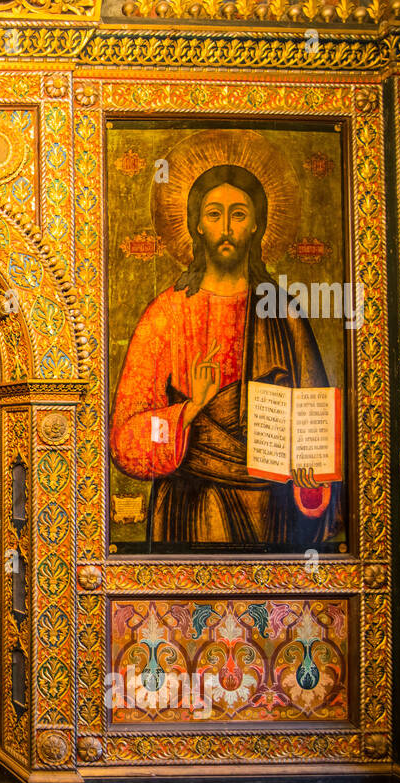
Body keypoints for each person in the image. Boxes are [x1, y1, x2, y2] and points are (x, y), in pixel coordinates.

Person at [110, 163, 337, 549]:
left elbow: (315, 424)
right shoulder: (167, 314)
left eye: (239, 214)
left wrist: (311, 470)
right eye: (214, 214)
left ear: (256, 226)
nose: (227, 227)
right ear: (197, 225)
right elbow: (126, 439)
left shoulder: (284, 313)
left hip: (272, 507)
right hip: (193, 503)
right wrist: (189, 409)